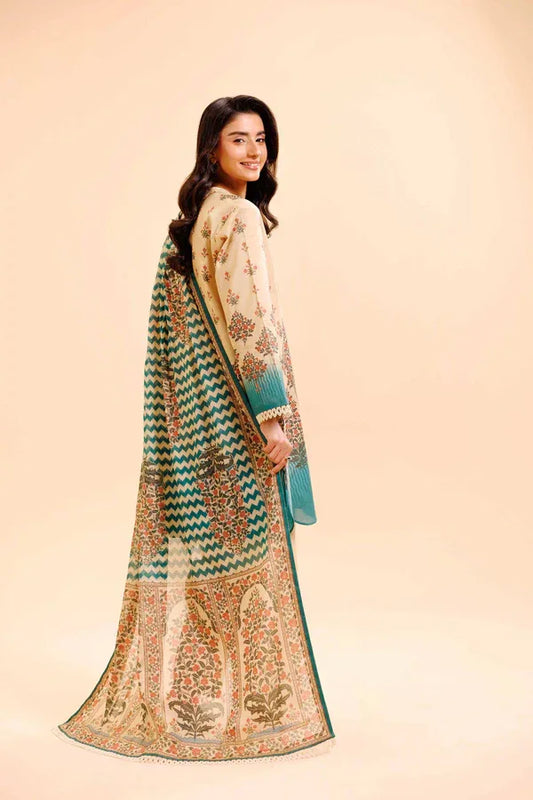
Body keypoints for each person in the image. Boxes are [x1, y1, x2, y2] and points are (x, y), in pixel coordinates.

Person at [52, 95, 335, 764]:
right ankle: (234, 717)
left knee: (208, 567)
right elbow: (246, 323)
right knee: (248, 571)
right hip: (236, 420)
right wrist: (272, 416)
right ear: (211, 148)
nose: (253, 150)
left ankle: (197, 709)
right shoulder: (235, 215)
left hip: (196, 428)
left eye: (261, 138)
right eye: (237, 139)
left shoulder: (193, 219)